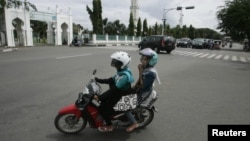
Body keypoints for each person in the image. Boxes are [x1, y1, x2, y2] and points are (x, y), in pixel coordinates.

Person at [94, 51, 134, 132]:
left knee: (103, 108)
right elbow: (111, 80)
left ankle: (110, 126)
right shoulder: (120, 72)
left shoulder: (124, 76)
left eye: (116, 62)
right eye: (114, 61)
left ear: (123, 64)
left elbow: (113, 89)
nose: (114, 63)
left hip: (123, 97)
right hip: (118, 93)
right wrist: (98, 80)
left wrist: (100, 97)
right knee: (103, 102)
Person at [125, 48, 160, 132]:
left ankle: (134, 123)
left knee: (126, 108)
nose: (142, 60)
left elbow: (142, 85)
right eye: (142, 58)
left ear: (151, 61)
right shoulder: (146, 68)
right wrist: (133, 87)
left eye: (144, 59)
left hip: (143, 93)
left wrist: (140, 72)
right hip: (140, 90)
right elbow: (140, 80)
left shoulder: (151, 73)